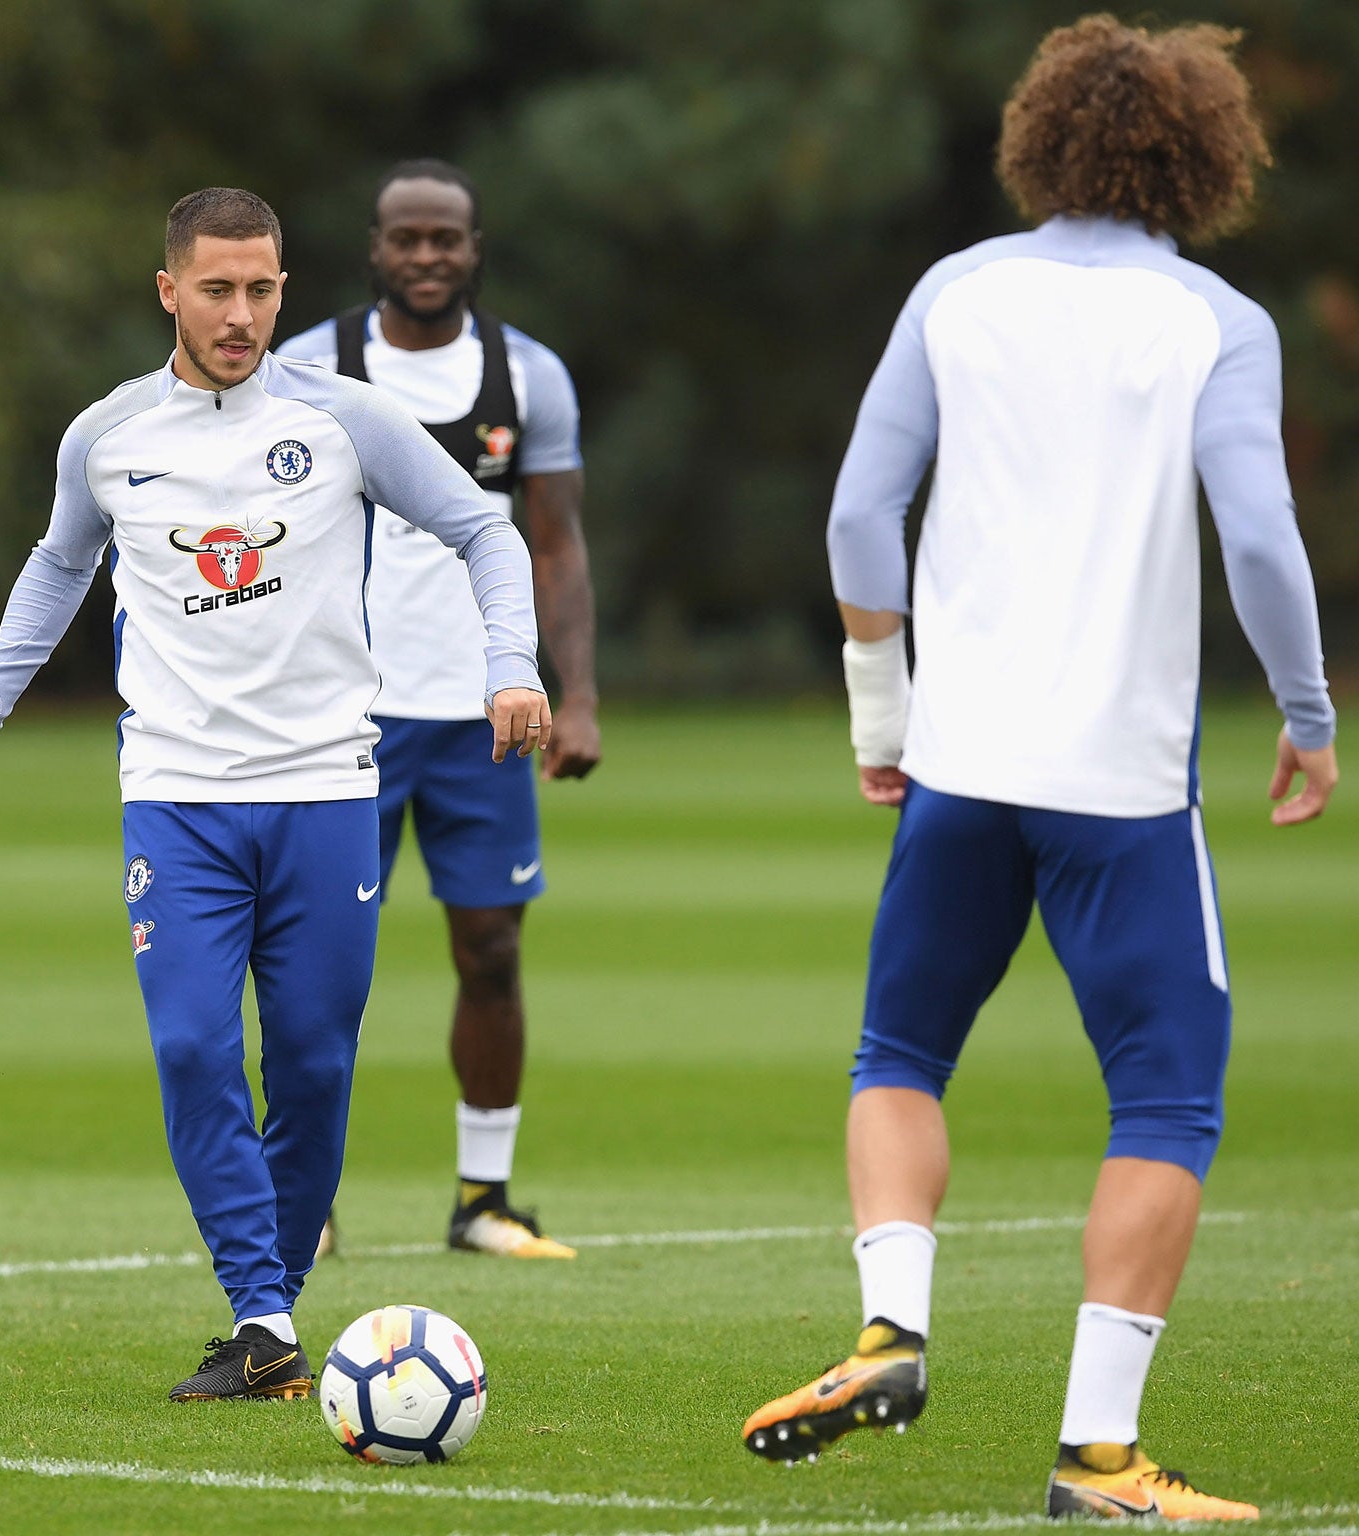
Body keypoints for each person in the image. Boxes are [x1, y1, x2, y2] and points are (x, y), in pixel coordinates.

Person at [739, 18, 1337, 1519]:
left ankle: (892, 1328)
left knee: (899, 1055)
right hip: (1123, 789)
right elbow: (1259, 537)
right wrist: (1310, 709)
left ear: (1038, 140)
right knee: (1166, 1107)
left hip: (957, 766)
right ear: (1205, 156)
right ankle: (1098, 1457)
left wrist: (883, 717)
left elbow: (859, 519)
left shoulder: (956, 292)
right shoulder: (1215, 321)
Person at [0, 187, 548, 1401]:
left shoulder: (344, 421)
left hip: (324, 791)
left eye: (261, 289)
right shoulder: (108, 437)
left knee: (310, 1066)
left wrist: (508, 664)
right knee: (191, 1045)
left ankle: (270, 1306)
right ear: (168, 290)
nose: (241, 313)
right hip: (177, 798)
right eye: (216, 288)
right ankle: (260, 1316)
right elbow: (59, 567)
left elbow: (486, 531)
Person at [277, 160, 597, 1261]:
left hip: (484, 714)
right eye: (404, 238)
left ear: (473, 248)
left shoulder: (526, 377)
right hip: (337, 717)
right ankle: (303, 1198)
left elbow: (553, 546)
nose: (425, 257)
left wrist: (579, 696)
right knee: (315, 959)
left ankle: (483, 1199)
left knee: (492, 953)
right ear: (373, 247)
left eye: (444, 239)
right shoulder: (308, 368)